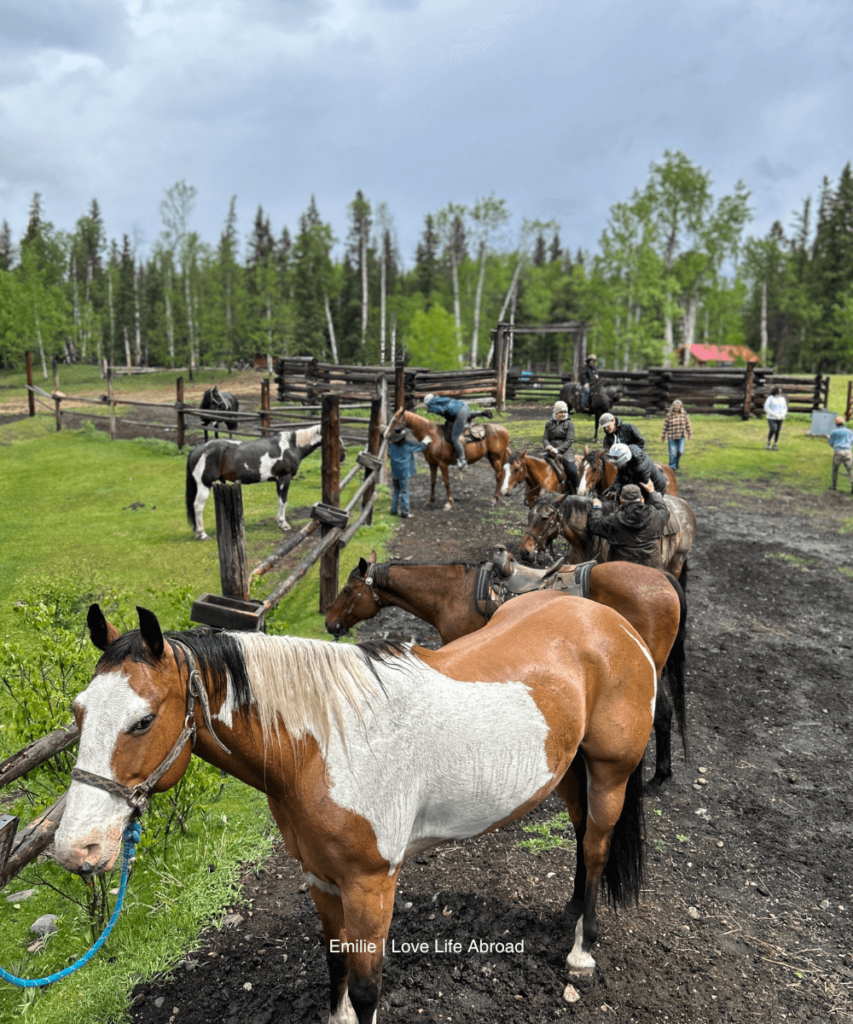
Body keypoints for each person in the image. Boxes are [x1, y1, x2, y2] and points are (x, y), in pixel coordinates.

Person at [588, 481, 671, 570]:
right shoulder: (656, 515)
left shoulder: (613, 519)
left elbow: (595, 526)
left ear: (621, 500)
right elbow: (664, 510)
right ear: (642, 499)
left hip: (622, 569)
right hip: (653, 567)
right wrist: (652, 492)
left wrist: (597, 508)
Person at [387, 424, 428, 518]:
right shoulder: (407, 445)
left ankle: (393, 510)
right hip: (404, 472)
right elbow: (420, 447)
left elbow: (389, 455)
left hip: (394, 471)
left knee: (396, 491)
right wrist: (425, 442)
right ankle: (405, 512)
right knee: (404, 491)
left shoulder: (391, 445)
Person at [423, 392, 471, 471]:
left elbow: (442, 410)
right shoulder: (441, 399)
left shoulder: (433, 405)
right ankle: (479, 413)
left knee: (455, 438)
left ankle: (463, 461)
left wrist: (430, 409)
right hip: (466, 407)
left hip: (461, 414)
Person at [542, 400, 580, 493]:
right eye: (560, 412)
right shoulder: (549, 423)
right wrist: (548, 446)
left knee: (572, 471)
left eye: (565, 412)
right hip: (550, 450)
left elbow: (569, 441)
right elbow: (545, 438)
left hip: (565, 451)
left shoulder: (570, 424)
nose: (563, 414)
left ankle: (577, 490)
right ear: (555, 412)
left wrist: (558, 450)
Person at [660, 399, 693, 471]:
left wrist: (690, 433)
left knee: (680, 451)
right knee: (673, 452)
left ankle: (677, 462)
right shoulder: (669, 415)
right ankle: (672, 467)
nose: (676, 408)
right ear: (673, 407)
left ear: (680, 407)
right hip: (671, 437)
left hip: (681, 436)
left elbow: (688, 424)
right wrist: (663, 436)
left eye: (678, 407)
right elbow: (665, 426)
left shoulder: (684, 414)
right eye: (675, 407)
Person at [828, 415, 853, 493]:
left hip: (838, 451)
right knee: (850, 470)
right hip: (847, 451)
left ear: (836, 424)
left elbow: (831, 443)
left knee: (835, 469)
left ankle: (834, 486)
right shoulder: (850, 431)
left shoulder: (834, 432)